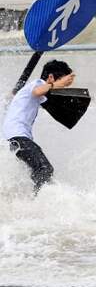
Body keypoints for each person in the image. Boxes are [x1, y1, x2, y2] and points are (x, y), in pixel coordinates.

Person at [3, 60, 75, 193]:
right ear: (51, 77)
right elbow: (37, 92)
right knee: (44, 169)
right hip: (17, 136)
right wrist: (55, 84)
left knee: (35, 170)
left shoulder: (29, 90)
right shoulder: (38, 83)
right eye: (63, 83)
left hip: (14, 138)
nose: (62, 88)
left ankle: (28, 198)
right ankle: (38, 202)